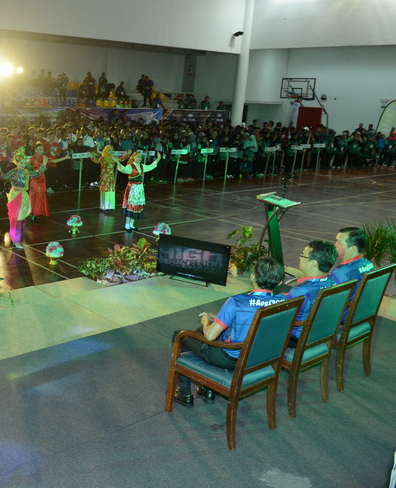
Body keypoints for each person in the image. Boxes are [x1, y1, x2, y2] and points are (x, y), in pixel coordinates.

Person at [172, 257, 287, 407]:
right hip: (261, 356)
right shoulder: (285, 301)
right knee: (201, 333)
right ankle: (208, 389)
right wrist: (220, 319)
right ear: (279, 282)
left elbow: (210, 336)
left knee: (181, 335)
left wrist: (206, 321)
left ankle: (185, 393)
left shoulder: (237, 301)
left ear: (253, 276)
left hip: (231, 358)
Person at [282, 240, 337, 346]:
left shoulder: (301, 291)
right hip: (323, 332)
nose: (300, 258)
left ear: (313, 263)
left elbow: (283, 317)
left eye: (302, 255)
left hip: (300, 339)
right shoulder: (333, 281)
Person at [0, 147, 47, 249]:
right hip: (15, 195)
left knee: (22, 219)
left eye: (24, 163)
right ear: (17, 162)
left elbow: (37, 173)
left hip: (24, 196)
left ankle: (19, 239)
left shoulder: (27, 171)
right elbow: (3, 177)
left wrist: (44, 164)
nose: (23, 165)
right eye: (21, 163)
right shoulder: (13, 171)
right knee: (17, 219)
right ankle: (16, 240)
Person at [117, 151, 161, 231]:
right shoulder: (130, 166)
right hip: (132, 189)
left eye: (140, 157)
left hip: (139, 188)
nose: (140, 158)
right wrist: (118, 163)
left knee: (137, 206)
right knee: (131, 206)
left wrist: (158, 159)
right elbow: (123, 169)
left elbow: (151, 166)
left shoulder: (142, 166)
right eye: (138, 157)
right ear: (133, 158)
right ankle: (127, 224)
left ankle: (131, 224)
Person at [89, 145, 128, 212]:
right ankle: (104, 207)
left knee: (110, 191)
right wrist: (91, 156)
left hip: (111, 177)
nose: (111, 151)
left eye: (112, 150)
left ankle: (108, 206)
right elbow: (96, 161)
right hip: (104, 178)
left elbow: (120, 159)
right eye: (109, 150)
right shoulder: (103, 158)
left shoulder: (113, 158)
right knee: (105, 192)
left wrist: (127, 155)